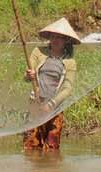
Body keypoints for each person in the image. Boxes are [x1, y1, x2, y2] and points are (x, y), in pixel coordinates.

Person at [23, 18, 79, 151]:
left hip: (55, 109)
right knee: (31, 147)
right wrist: (28, 75)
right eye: (53, 36)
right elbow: (26, 77)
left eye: (60, 37)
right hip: (35, 105)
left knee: (52, 149)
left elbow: (67, 88)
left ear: (66, 41)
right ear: (49, 38)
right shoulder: (38, 52)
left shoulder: (70, 62)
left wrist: (51, 104)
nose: (56, 40)